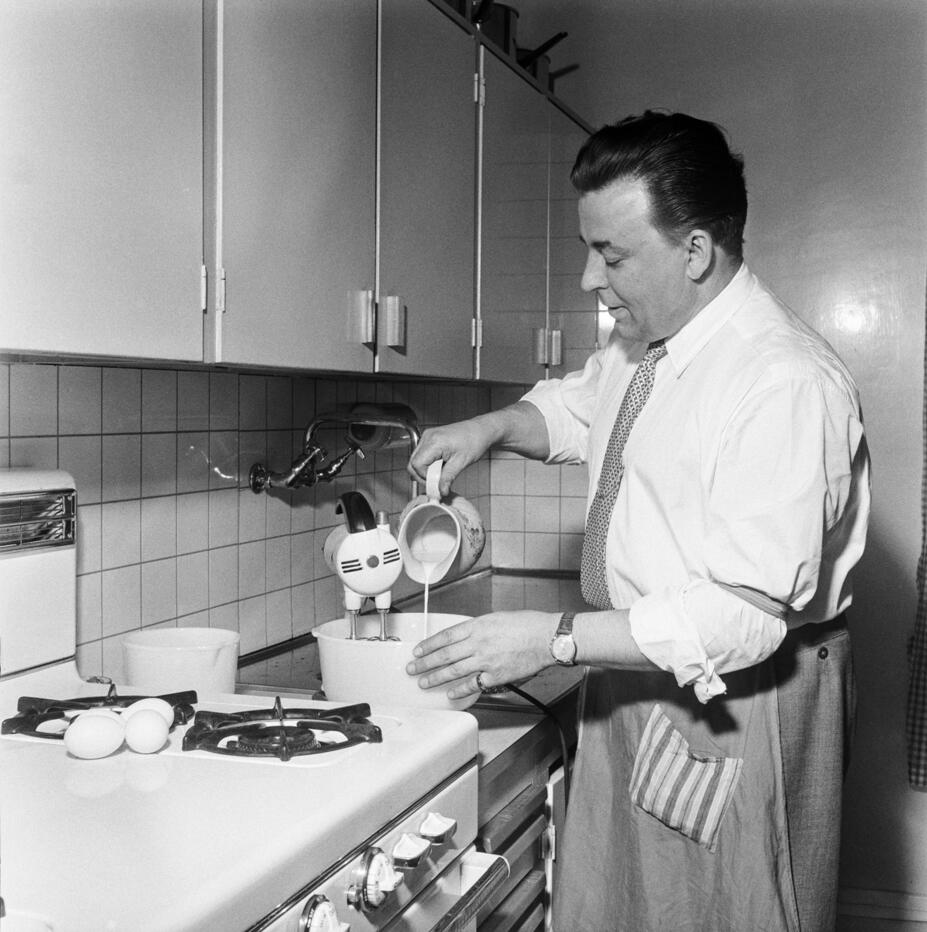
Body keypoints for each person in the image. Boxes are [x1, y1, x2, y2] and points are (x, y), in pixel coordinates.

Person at [406, 110, 871, 931]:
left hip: (741, 695)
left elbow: (740, 615)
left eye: (611, 254)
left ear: (695, 250)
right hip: (633, 669)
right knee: (625, 908)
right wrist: (487, 427)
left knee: (731, 912)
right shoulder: (647, 343)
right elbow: (579, 413)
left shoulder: (783, 383)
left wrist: (549, 638)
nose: (588, 278)